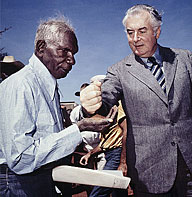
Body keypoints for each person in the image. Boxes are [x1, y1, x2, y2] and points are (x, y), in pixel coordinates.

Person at [80, 4, 192, 197]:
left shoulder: (185, 59)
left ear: (157, 32)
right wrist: (92, 105)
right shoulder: (118, 71)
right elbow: (105, 101)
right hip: (150, 173)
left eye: (142, 31)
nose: (135, 39)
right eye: (130, 32)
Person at [0, 16, 117, 197]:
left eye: (74, 53)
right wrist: (79, 128)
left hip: (39, 178)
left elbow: (48, 138)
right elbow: (21, 158)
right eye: (65, 51)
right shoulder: (22, 84)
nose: (72, 60)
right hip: (19, 183)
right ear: (41, 48)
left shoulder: (48, 86)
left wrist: (84, 121)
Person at [80, 101, 129, 197]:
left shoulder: (117, 106)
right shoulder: (104, 111)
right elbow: (105, 144)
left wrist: (123, 162)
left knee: (98, 192)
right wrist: (90, 153)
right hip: (110, 155)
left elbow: (126, 130)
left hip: (117, 154)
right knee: (118, 192)